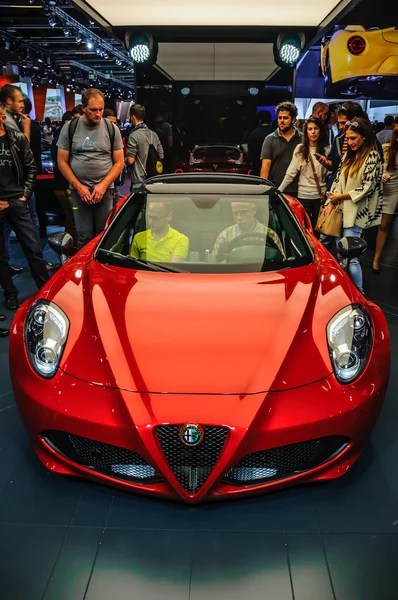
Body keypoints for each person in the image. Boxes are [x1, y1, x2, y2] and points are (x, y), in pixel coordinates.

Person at [57, 88, 124, 248]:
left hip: (105, 190)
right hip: (79, 191)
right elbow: (62, 162)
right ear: (83, 108)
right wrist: (78, 187)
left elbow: (119, 162)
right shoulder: (70, 127)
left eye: (101, 109)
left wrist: (103, 185)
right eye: (93, 110)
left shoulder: (110, 128)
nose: (98, 114)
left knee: (104, 235)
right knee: (83, 236)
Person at [322, 118, 383, 293]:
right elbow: (337, 180)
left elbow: (368, 187)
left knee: (352, 257)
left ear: (364, 137)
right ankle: (344, 291)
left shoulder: (372, 156)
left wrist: (338, 197)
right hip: (341, 210)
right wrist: (329, 203)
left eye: (354, 138)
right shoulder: (348, 155)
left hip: (357, 213)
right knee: (341, 255)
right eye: (348, 138)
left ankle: (359, 293)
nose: (350, 142)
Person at [0, 102, 49, 310]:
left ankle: (46, 290)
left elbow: (31, 168)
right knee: (0, 255)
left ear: (2, 118)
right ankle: (10, 293)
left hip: (17, 201)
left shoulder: (17, 139)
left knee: (33, 248)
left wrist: (24, 195)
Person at [279, 117, 330, 228]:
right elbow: (290, 173)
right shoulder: (300, 149)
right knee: (305, 229)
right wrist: (279, 191)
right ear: (306, 132)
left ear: (320, 131)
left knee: (319, 229)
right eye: (310, 129)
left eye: (316, 128)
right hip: (304, 195)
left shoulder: (326, 150)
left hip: (320, 196)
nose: (313, 132)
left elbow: (329, 173)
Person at [213, 201, 285, 260]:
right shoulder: (225, 235)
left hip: (262, 273)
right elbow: (215, 261)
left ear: (254, 210)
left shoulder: (269, 234)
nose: (239, 217)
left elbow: (281, 259)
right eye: (235, 213)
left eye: (243, 212)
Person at [260, 101, 302, 194]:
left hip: (299, 190)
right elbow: (265, 165)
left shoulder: (302, 139)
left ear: (293, 120)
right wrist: (264, 188)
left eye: (285, 118)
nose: (281, 121)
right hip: (276, 189)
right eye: (279, 118)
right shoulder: (270, 139)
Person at [372, 125, 398, 274]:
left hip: (393, 192)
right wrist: (380, 175)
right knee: (368, 222)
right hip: (378, 189)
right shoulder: (385, 148)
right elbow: (375, 167)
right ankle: (359, 251)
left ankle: (376, 259)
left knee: (384, 225)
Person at [51, 111, 76, 245]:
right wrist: (67, 187)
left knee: (72, 220)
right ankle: (71, 249)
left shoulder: (60, 137)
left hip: (65, 185)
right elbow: (61, 165)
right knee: (73, 220)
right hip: (64, 186)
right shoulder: (62, 139)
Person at [126, 104, 164, 192]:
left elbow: (130, 160)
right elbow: (161, 156)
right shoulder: (154, 134)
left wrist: (123, 161)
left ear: (133, 117)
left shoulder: (134, 136)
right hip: (154, 179)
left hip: (139, 181)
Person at [247, 110, 274, 176]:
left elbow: (250, 153)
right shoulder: (275, 133)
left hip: (257, 168)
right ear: (270, 119)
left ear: (259, 120)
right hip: (273, 169)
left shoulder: (253, 134)